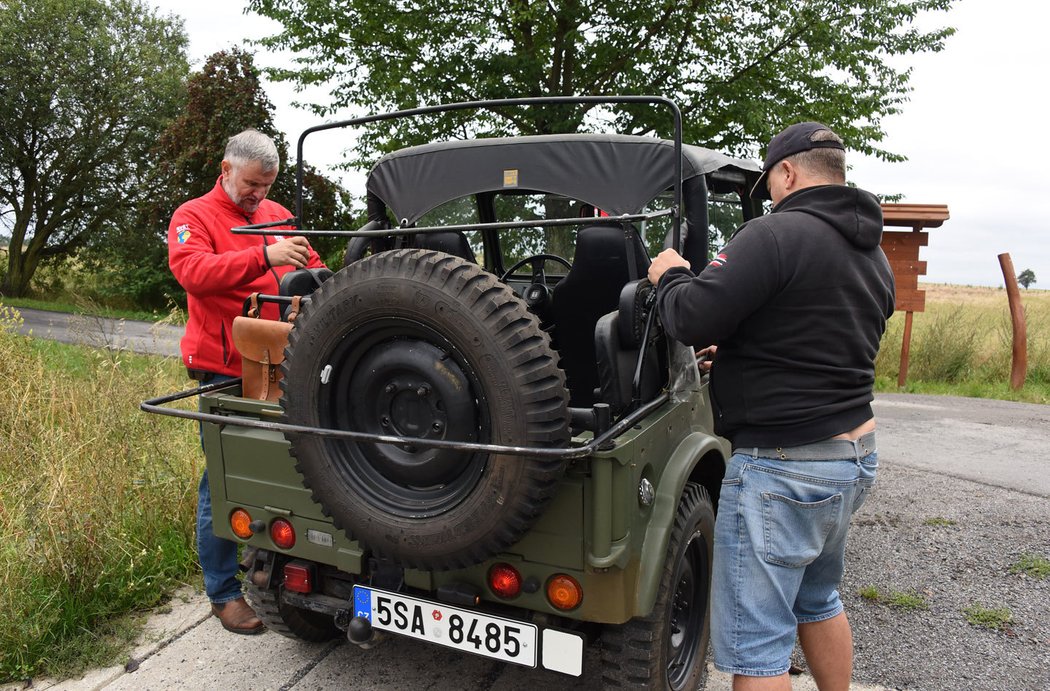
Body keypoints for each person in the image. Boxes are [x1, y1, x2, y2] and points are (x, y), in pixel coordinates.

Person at [648, 122, 895, 690]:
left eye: (771, 186)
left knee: (757, 647)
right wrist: (739, 357)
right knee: (818, 598)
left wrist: (672, 277)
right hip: (852, 455)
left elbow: (690, 316)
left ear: (787, 172)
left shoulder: (775, 234)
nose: (770, 199)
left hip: (784, 467)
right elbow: (817, 336)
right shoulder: (871, 253)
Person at [168, 129, 326, 634]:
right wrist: (265, 257)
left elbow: (315, 268)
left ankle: (280, 564)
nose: (258, 194)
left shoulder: (277, 215)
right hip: (225, 367)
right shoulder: (193, 216)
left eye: (266, 185)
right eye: (252, 184)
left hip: (281, 362)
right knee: (224, 476)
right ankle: (222, 592)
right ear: (227, 169)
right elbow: (194, 273)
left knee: (288, 465)